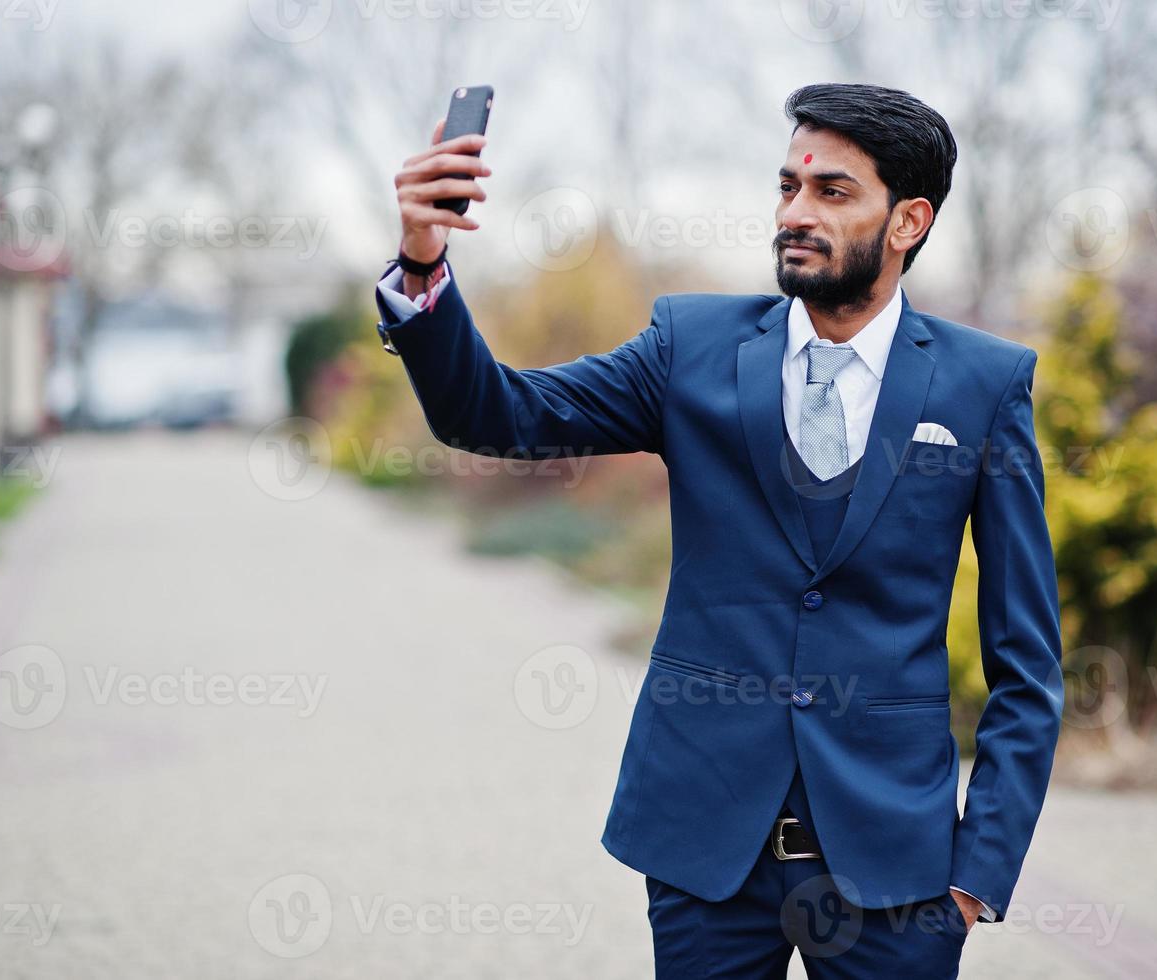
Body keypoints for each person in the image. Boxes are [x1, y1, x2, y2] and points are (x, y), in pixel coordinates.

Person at [374, 82, 1063, 979]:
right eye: (787, 188)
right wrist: (423, 265)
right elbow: (496, 413)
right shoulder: (689, 347)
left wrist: (977, 876)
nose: (795, 213)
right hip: (705, 851)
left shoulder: (983, 384)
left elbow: (1026, 661)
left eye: (832, 192)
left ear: (908, 221)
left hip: (895, 872)